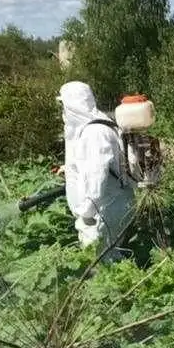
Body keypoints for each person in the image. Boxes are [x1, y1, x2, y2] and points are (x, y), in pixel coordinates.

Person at [57, 81, 136, 256]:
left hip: (104, 210)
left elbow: (97, 175)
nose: (62, 110)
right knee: (112, 258)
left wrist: (86, 213)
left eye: (63, 105)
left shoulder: (93, 133)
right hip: (117, 202)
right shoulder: (103, 122)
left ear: (71, 105)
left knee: (100, 266)